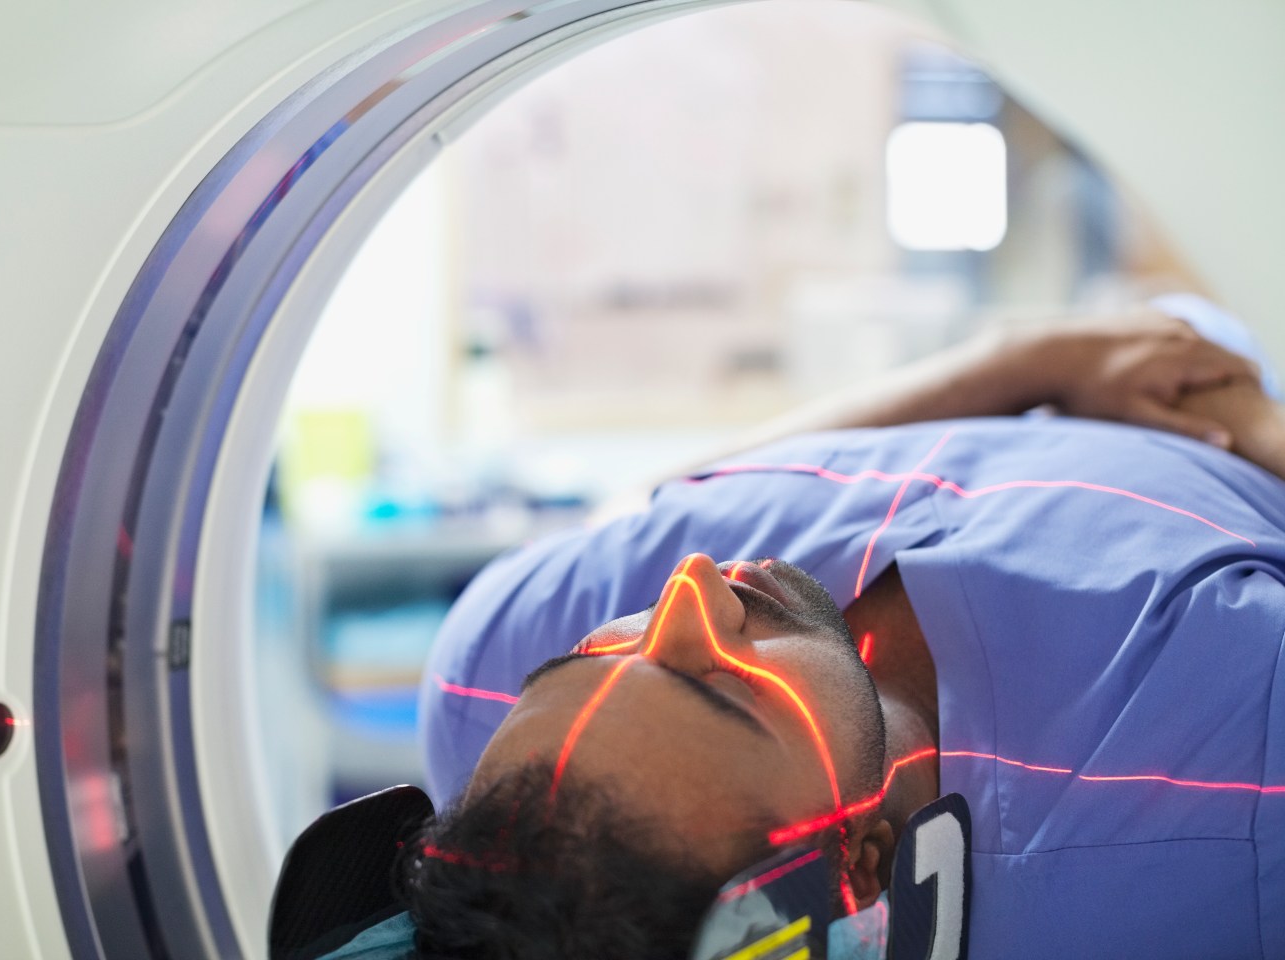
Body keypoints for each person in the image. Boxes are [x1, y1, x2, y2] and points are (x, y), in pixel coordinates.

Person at [408, 297, 1285, 959]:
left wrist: (1029, 362)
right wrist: (1254, 428)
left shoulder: (484, 675)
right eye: (721, 686)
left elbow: (663, 504)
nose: (691, 585)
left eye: (594, 653)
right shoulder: (1226, 785)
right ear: (861, 864)